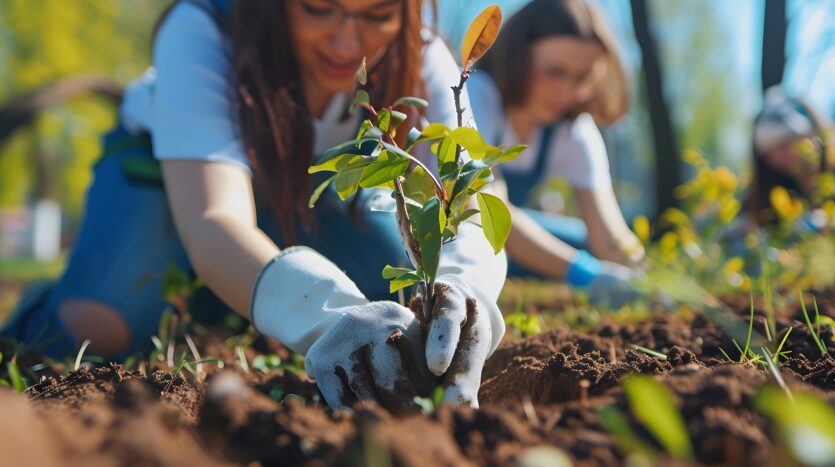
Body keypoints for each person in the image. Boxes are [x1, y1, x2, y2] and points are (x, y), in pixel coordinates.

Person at [2, 0, 508, 410]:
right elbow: (215, 218)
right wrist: (331, 315)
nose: (347, 42)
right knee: (99, 327)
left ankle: (220, 300)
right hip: (166, 179)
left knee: (395, 295)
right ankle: (53, 308)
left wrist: (466, 289)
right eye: (318, 8)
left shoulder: (422, 57)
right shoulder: (203, 27)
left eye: (377, 14)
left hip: (294, 191)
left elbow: (469, 193)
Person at [467, 0, 644, 308]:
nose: (565, 92)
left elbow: (609, 235)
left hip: (506, 244)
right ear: (518, 58)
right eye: (554, 71)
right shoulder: (477, 96)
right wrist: (584, 273)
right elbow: (488, 210)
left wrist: (647, 277)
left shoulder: (571, 130)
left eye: (582, 77)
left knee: (579, 238)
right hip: (461, 234)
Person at [748, 86, 833, 230]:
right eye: (768, 153)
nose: (776, 158)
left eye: (783, 144)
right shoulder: (774, 189)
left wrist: (826, 223)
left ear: (813, 134)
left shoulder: (830, 178)